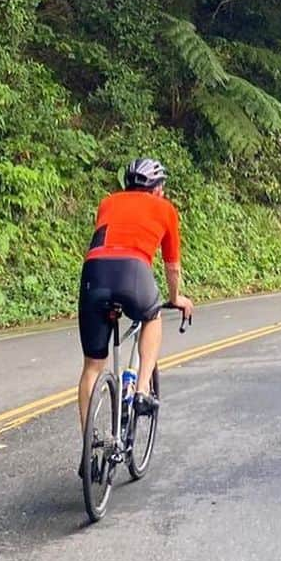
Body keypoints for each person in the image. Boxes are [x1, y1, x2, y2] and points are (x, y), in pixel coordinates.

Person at [76, 158, 194, 471]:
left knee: (92, 366)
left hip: (94, 274)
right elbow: (172, 265)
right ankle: (141, 390)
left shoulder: (107, 202)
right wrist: (174, 298)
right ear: (157, 189)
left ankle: (89, 450)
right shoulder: (165, 209)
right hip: (133, 273)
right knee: (151, 318)